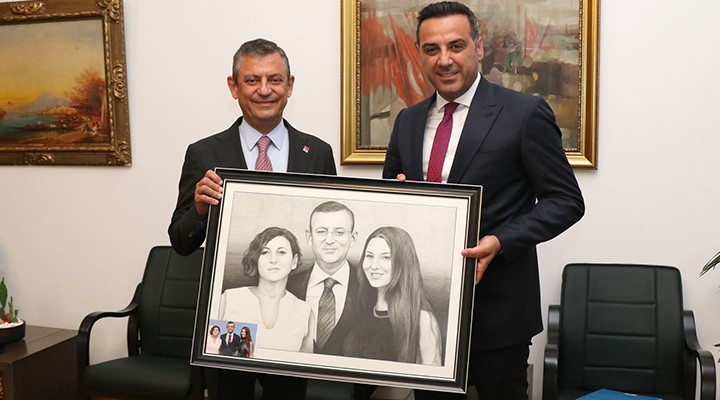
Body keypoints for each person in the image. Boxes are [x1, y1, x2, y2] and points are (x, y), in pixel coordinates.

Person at [383, 2, 585, 399]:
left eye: (456, 46)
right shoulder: (408, 120)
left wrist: (501, 241)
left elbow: (566, 200)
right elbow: (392, 195)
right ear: (419, 53)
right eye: (431, 49)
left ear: (478, 47)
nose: (444, 60)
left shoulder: (524, 113)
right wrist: (399, 198)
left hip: (499, 313)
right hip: (427, 311)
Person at [168, 38, 336, 400]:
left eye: (275, 80)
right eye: (252, 80)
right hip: (233, 315)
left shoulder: (317, 153)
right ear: (234, 87)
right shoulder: (204, 153)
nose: (264, 90)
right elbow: (180, 242)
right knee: (232, 394)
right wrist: (199, 209)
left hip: (290, 311)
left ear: (289, 86)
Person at [343, 226, 442, 365]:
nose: (374, 265)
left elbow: (431, 375)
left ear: (403, 262)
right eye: (369, 256)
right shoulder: (361, 306)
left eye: (385, 257)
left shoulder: (422, 318)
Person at [219, 227, 315, 353]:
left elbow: (304, 363)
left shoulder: (305, 312)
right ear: (256, 259)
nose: (273, 260)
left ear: (294, 261)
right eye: (265, 252)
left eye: (281, 252)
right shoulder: (228, 299)